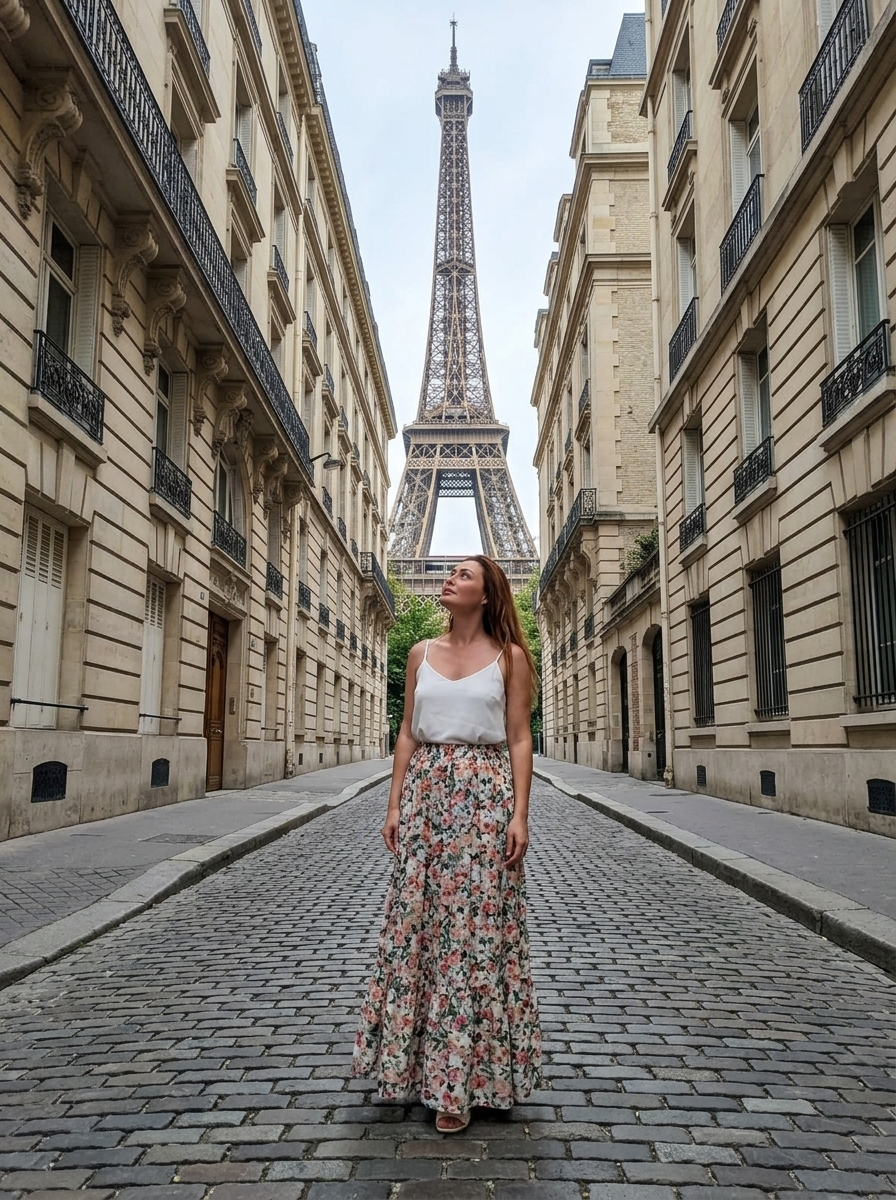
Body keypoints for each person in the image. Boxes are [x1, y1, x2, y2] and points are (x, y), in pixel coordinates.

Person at [352, 555, 542, 1134]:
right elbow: (407, 732)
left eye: (463, 575)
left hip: (484, 806)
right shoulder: (419, 654)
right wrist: (393, 805)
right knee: (423, 931)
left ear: (486, 595)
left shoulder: (510, 658)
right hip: (428, 805)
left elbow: (518, 738)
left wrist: (520, 816)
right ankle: (431, 1076)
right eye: (450, 572)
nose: (450, 579)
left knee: (477, 937)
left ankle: (470, 1080)